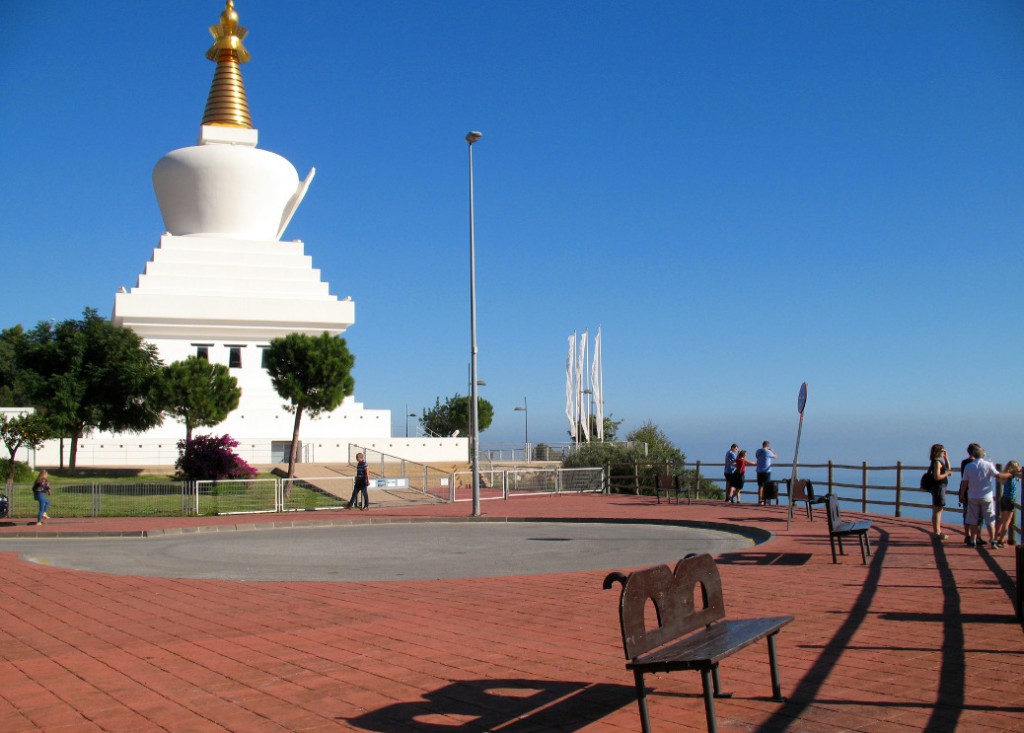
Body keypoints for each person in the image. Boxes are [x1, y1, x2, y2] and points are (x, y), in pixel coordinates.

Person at [961, 445, 1017, 549]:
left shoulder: (969, 466)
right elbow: (998, 475)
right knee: (990, 519)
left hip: (972, 496)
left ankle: (973, 540)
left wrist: (962, 494)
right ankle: (992, 540)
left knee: (973, 519)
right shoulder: (988, 465)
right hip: (986, 496)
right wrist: (1010, 474)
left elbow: (964, 482)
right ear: (983, 455)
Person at [926, 444, 952, 540]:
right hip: (938, 488)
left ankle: (937, 531)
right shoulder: (936, 463)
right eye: (942, 451)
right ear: (938, 452)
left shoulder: (938, 462)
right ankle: (937, 532)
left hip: (940, 488)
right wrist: (946, 474)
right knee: (937, 510)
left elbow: (948, 468)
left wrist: (946, 458)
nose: (943, 452)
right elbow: (937, 477)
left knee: (938, 509)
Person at [994, 460, 1019, 548]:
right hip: (1010, 500)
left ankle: (995, 537)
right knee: (1007, 522)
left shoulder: (1007, 476)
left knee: (1001, 520)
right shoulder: (1011, 475)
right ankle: (1001, 540)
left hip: (1004, 498)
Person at [960, 443, 979, 544]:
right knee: (976, 515)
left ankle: (967, 535)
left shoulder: (964, 462)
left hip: (965, 490)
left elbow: (963, 478)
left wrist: (961, 494)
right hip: (974, 491)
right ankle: (976, 536)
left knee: (967, 513)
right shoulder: (974, 463)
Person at [755, 441, 777, 505]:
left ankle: (760, 499)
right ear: (768, 445)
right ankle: (765, 499)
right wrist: (772, 451)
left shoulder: (758, 451)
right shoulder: (768, 452)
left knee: (760, 486)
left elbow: (757, 457)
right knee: (766, 486)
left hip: (759, 470)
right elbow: (775, 456)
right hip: (766, 471)